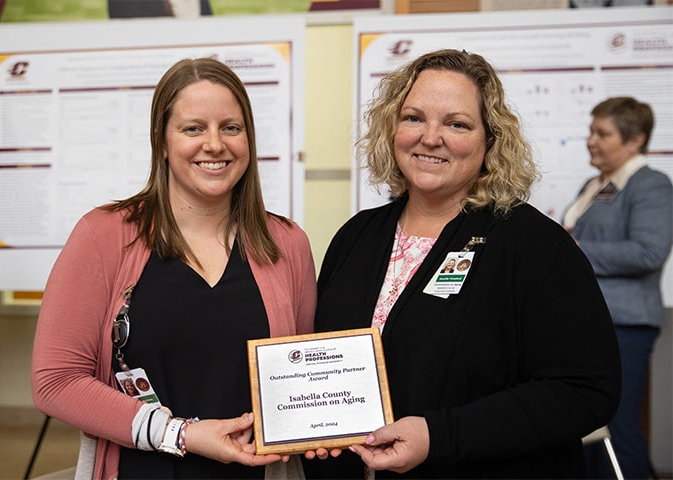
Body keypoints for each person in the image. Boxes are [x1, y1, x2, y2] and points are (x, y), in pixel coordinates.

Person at [305, 49, 621, 479]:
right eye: (414, 117)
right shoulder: (356, 237)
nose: (430, 137)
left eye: (457, 124)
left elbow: (584, 392)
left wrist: (440, 435)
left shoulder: (533, 245)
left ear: (490, 140)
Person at [31, 57, 317, 479]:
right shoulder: (104, 236)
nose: (215, 144)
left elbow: (302, 381)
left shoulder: (286, 244)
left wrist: (323, 425)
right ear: (162, 142)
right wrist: (180, 434)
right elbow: (55, 382)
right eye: (193, 128)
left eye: (231, 128)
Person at [562, 97, 673, 480]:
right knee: (587, 426)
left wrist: (574, 250)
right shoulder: (593, 185)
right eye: (591, 131)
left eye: (602, 133)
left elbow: (649, 251)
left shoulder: (651, 184)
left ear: (635, 140)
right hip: (589, 326)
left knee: (618, 424)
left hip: (624, 326)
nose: (591, 141)